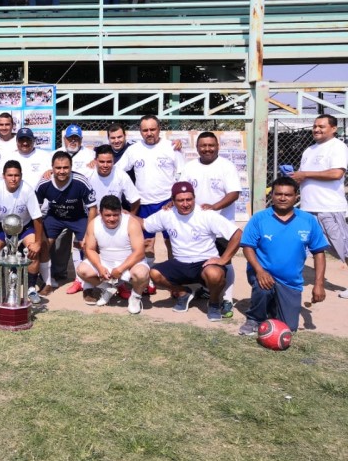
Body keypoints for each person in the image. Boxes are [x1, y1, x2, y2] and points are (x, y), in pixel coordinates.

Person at [238, 177, 328, 335]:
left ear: (296, 197)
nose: (282, 198)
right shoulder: (259, 218)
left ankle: (273, 306)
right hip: (264, 273)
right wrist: (259, 270)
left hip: (290, 281)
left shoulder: (308, 221)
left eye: (287, 195)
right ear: (271, 195)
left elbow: (319, 253)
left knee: (288, 328)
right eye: (278, 194)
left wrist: (319, 283)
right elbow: (247, 247)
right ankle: (254, 318)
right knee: (263, 286)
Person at [142, 181, 242, 321]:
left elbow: (237, 234)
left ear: (194, 198)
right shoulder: (166, 214)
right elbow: (144, 224)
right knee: (154, 274)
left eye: (189, 199)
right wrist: (124, 216)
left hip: (204, 263)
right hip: (180, 263)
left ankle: (213, 303)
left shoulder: (206, 214)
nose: (185, 204)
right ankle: (184, 293)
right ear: (173, 201)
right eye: (180, 200)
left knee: (214, 274)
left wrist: (223, 259)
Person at [179, 131, 242, 316]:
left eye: (211, 145)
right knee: (200, 259)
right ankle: (205, 289)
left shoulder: (226, 166)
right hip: (196, 225)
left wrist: (214, 207)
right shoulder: (189, 167)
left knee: (225, 262)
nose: (207, 149)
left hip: (221, 225)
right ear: (197, 148)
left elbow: (234, 193)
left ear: (217, 146)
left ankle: (227, 299)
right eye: (203, 145)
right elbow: (180, 192)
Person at [290, 114, 348, 287]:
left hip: (329, 207)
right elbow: (303, 175)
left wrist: (305, 174)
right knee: (310, 246)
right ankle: (310, 282)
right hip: (307, 208)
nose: (316, 129)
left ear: (333, 128)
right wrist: (295, 177)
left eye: (321, 126)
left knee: (342, 247)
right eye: (315, 126)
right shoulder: (309, 150)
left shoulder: (337, 147)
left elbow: (337, 173)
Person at [117, 114, 184, 258]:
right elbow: (117, 171)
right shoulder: (133, 150)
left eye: (152, 129)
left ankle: (174, 275)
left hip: (167, 203)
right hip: (144, 203)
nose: (149, 133)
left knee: (172, 241)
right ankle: (147, 277)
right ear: (140, 132)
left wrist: (175, 200)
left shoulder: (171, 147)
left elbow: (182, 175)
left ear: (159, 129)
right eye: (145, 130)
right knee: (146, 243)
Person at [0, 160, 46, 304]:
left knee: (33, 251)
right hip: (2, 227)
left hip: (24, 227)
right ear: (4, 176)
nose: (13, 178)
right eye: (10, 175)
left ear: (21, 176)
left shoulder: (28, 190)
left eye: (16, 175)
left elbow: (37, 218)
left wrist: (37, 242)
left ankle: (30, 288)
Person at [35, 151, 96, 296]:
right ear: (52, 168)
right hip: (55, 217)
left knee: (88, 245)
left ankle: (86, 285)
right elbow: (35, 210)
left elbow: (93, 208)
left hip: (78, 217)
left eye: (65, 167)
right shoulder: (44, 183)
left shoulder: (81, 181)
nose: (62, 171)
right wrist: (39, 234)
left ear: (71, 167)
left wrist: (90, 233)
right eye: (58, 168)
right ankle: (47, 282)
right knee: (42, 244)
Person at [75, 195, 149, 314]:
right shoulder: (94, 224)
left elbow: (139, 252)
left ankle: (135, 297)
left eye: (115, 215)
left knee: (141, 274)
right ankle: (107, 289)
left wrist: (121, 269)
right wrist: (99, 267)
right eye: (108, 215)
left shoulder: (132, 223)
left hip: (130, 263)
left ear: (120, 212)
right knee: (82, 270)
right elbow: (90, 249)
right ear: (100, 213)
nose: (112, 219)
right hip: (105, 261)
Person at [82, 145, 140, 212]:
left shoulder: (121, 175)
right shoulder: (86, 174)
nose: (105, 165)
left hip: (113, 217)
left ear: (113, 161)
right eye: (102, 162)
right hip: (91, 215)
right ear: (95, 161)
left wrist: (130, 216)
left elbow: (135, 200)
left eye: (109, 162)